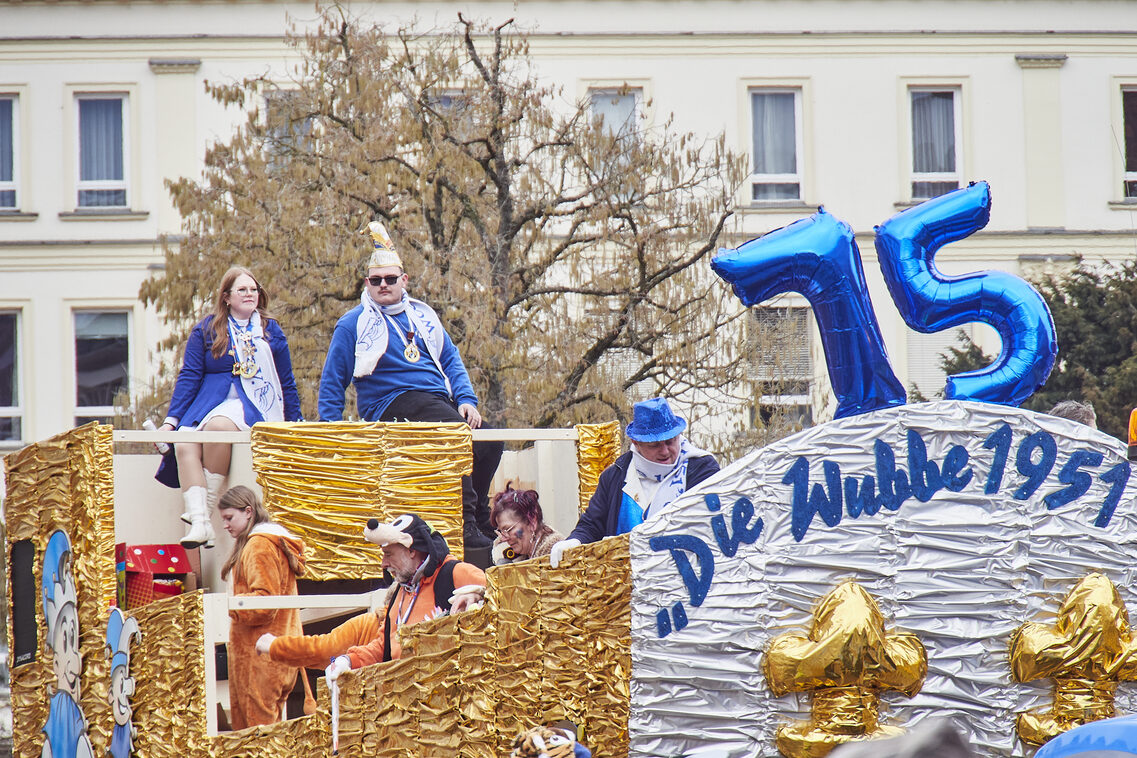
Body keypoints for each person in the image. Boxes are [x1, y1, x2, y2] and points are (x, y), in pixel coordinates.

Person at [317, 221, 503, 556]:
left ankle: (478, 516)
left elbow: (451, 359)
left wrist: (466, 400)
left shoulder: (424, 317)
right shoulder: (353, 323)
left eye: (391, 279)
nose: (384, 285)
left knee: (489, 439)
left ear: (404, 280)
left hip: (436, 399)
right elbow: (332, 383)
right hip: (391, 404)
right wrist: (334, 436)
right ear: (367, 284)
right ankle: (465, 523)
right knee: (454, 434)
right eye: (376, 280)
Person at [155, 266, 302, 550]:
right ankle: (200, 523)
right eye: (242, 290)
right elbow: (189, 376)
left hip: (251, 405)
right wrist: (171, 421)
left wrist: (294, 423)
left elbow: (286, 381)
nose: (249, 295)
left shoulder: (270, 331)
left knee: (218, 427)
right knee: (184, 444)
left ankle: (202, 516)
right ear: (226, 297)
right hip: (208, 402)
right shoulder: (207, 328)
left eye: (253, 290)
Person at [550, 397, 720, 568]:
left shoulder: (702, 469)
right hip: (626, 584)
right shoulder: (615, 476)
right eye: (655, 445)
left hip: (689, 579)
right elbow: (592, 524)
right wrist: (574, 541)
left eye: (670, 441)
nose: (665, 451)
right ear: (636, 443)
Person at [315, 514, 486, 683]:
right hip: (408, 699)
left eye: (388, 554)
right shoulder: (400, 592)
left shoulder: (455, 573)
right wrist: (348, 661)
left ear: (411, 550)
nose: (383, 564)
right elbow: (384, 648)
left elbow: (504, 606)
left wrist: (481, 595)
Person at [219, 486, 310, 730]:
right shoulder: (264, 543)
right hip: (270, 654)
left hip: (259, 656)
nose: (225, 525)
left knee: (256, 737)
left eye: (229, 518)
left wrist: (231, 607)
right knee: (265, 734)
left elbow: (263, 602)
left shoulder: (258, 545)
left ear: (248, 512)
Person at [490, 486, 564, 566]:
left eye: (508, 529)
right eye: (501, 532)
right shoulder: (517, 556)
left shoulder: (556, 555)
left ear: (532, 522)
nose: (504, 539)